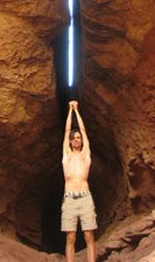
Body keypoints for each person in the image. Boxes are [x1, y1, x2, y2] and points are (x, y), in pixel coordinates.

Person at [61, 100, 96, 262]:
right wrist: (70, 110)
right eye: (74, 138)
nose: (76, 139)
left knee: (89, 235)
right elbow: (67, 130)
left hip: (85, 198)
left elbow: (83, 130)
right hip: (69, 200)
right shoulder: (67, 155)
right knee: (71, 237)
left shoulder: (85, 155)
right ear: (70, 141)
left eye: (78, 138)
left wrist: (77, 111)